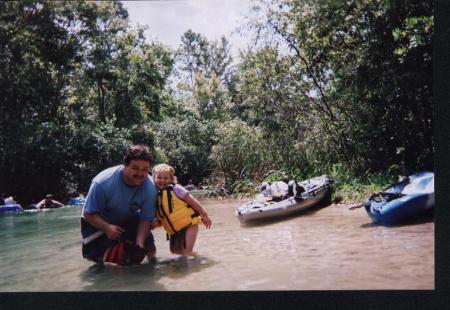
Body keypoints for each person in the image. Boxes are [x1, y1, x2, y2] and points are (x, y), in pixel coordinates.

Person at [81, 144, 158, 266]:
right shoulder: (103, 182)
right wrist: (107, 228)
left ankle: (152, 266)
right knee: (102, 262)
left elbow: (145, 219)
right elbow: (88, 213)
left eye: (145, 169)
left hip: (127, 217)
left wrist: (139, 243)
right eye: (135, 168)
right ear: (125, 166)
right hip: (96, 221)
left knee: (142, 249)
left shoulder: (150, 187)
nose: (140, 173)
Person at [152, 164, 212, 256]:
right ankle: (197, 259)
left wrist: (205, 216)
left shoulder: (176, 189)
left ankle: (196, 263)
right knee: (175, 251)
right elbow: (162, 217)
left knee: (186, 252)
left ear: (171, 179)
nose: (162, 180)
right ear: (154, 178)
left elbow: (193, 202)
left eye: (166, 178)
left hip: (189, 225)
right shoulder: (155, 195)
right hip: (175, 230)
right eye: (159, 177)